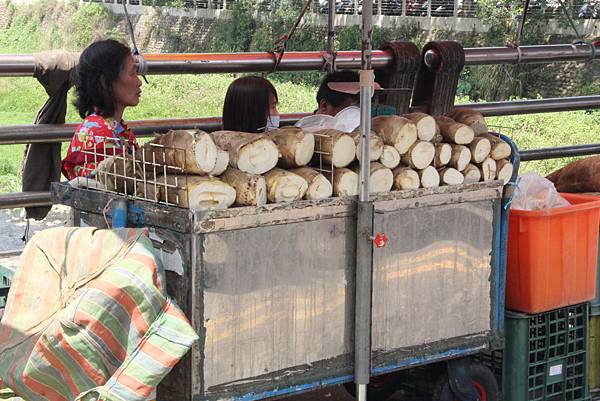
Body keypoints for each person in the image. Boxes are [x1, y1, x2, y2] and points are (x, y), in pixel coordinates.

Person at [61, 39, 142, 180]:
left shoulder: (115, 128)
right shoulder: (98, 134)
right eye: (132, 73)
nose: (139, 81)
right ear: (107, 82)